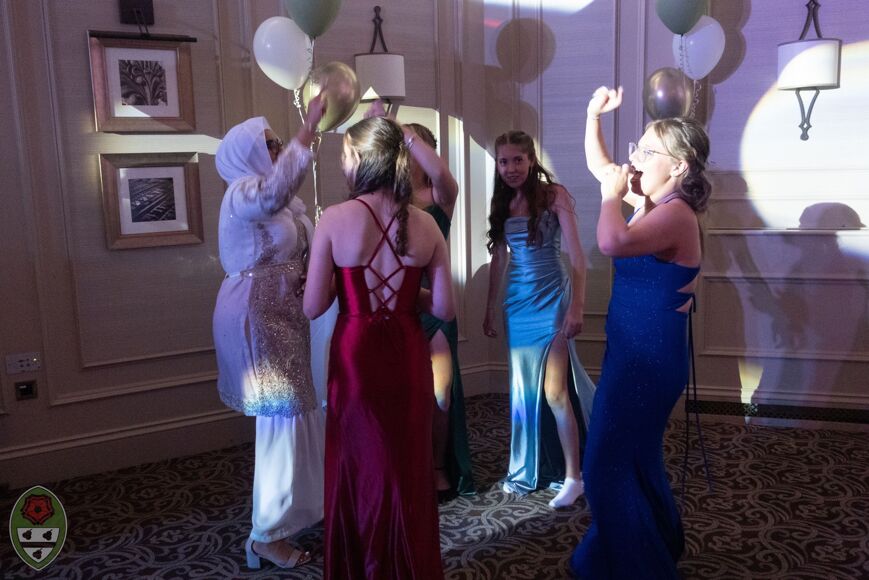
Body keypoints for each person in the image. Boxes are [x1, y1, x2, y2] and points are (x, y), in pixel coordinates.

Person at [571, 86, 712, 578]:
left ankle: (641, 566)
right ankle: (651, 544)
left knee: (604, 467)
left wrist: (611, 196)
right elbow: (601, 168)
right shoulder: (654, 201)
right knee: (632, 458)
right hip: (632, 353)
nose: (635, 158)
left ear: (679, 166)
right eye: (638, 147)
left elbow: (611, 241)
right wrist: (593, 115)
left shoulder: (675, 214)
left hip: (647, 364)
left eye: (648, 152)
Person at [303, 116, 452, 579]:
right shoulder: (426, 223)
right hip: (407, 352)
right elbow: (444, 308)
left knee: (359, 462)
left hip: (357, 355)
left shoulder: (335, 218)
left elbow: (313, 306)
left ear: (360, 160)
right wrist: (407, 295)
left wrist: (349, 285)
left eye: (344, 155)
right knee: (407, 465)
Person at [212, 95, 326, 570]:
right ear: (247, 153)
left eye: (279, 142)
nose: (278, 149)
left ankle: (302, 509)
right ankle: (265, 535)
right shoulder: (242, 193)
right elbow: (273, 192)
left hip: (287, 313)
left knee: (300, 410)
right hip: (258, 317)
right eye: (271, 144)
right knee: (281, 417)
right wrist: (308, 131)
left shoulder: (285, 203)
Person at [483, 130, 596, 509]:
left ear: (531, 160)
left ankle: (574, 477)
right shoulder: (503, 201)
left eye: (518, 159)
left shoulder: (553, 195)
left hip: (553, 302)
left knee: (555, 392)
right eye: (503, 161)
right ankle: (527, 467)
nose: (511, 168)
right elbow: (500, 258)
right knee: (523, 389)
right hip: (517, 305)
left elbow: (577, 257)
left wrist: (577, 306)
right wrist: (489, 307)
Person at [402, 121, 476, 501]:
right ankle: (408, 466)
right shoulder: (389, 197)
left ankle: (437, 466)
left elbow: (446, 178)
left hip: (435, 304)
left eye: (417, 150)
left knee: (440, 393)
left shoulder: (439, 196)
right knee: (403, 392)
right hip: (397, 304)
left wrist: (404, 132)